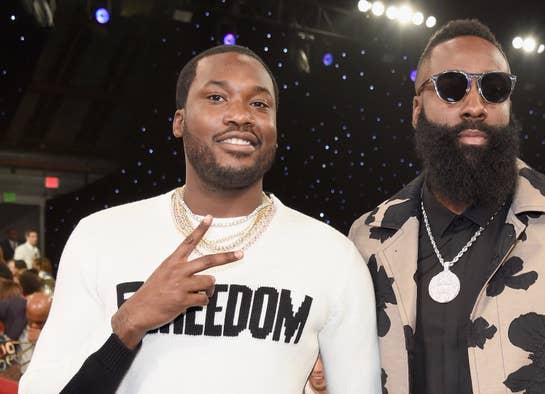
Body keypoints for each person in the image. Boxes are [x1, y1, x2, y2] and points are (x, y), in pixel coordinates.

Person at [20, 45, 380, 393]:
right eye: (216, 98)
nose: (241, 115)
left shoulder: (332, 255)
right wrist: (130, 322)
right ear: (180, 121)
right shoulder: (100, 236)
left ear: (275, 128)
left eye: (259, 104)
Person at [349, 18, 545, 393]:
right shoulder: (368, 239)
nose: (475, 106)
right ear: (415, 109)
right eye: (451, 88)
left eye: (494, 89)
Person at [17, 292, 52, 373]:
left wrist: (43, 339)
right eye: (30, 320)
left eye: (39, 322)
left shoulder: (58, 333)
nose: (34, 326)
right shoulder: (17, 323)